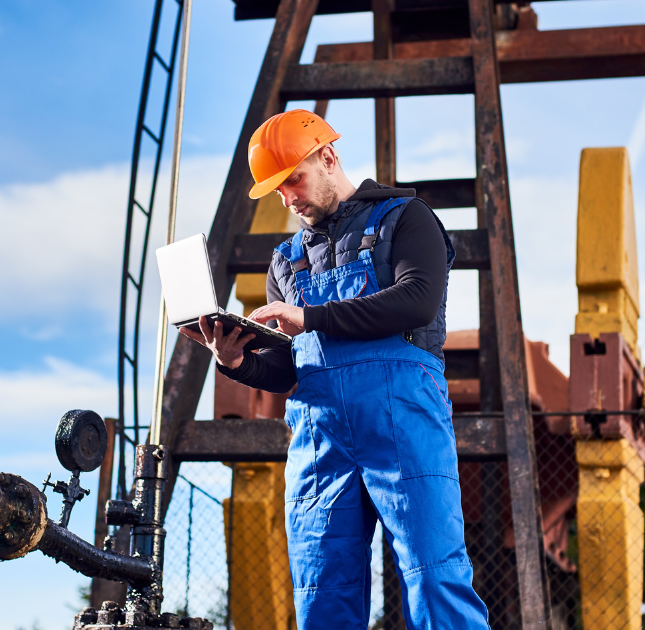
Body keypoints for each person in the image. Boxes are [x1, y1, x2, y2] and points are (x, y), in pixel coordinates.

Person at [180, 110, 489, 630]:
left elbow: (415, 301)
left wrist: (309, 316)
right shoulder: (285, 261)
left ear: (328, 157)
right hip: (319, 439)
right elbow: (287, 369)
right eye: (277, 191)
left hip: (404, 420)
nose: (289, 199)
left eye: (293, 180)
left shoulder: (406, 218)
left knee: (434, 579)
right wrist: (235, 361)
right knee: (322, 590)